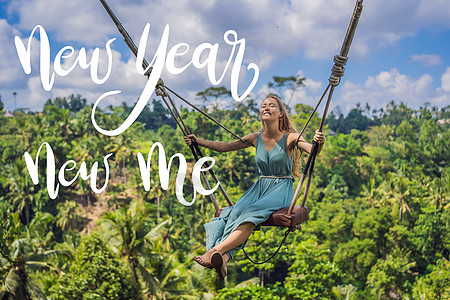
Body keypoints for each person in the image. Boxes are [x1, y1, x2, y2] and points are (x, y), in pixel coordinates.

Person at [184, 95, 325, 279]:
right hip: (259, 188)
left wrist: (318, 143)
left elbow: (311, 151)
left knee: (250, 217)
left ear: (280, 113)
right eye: (263, 105)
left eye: (272, 106)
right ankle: (224, 258)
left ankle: (212, 252)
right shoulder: (254, 138)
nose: (266, 108)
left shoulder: (290, 137)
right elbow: (224, 147)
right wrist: (198, 141)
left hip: (280, 188)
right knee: (233, 214)